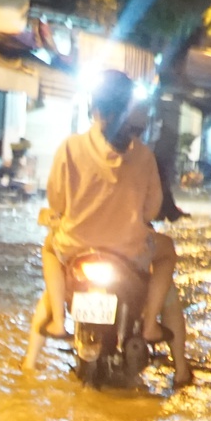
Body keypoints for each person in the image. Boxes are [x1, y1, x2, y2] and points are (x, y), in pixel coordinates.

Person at [23, 70, 192, 387]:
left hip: (76, 249)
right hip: (129, 254)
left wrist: (61, 216)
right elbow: (151, 210)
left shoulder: (70, 148)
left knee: (50, 252)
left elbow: (56, 201)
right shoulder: (142, 154)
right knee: (167, 255)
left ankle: (46, 340)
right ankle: (165, 345)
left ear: (95, 108)